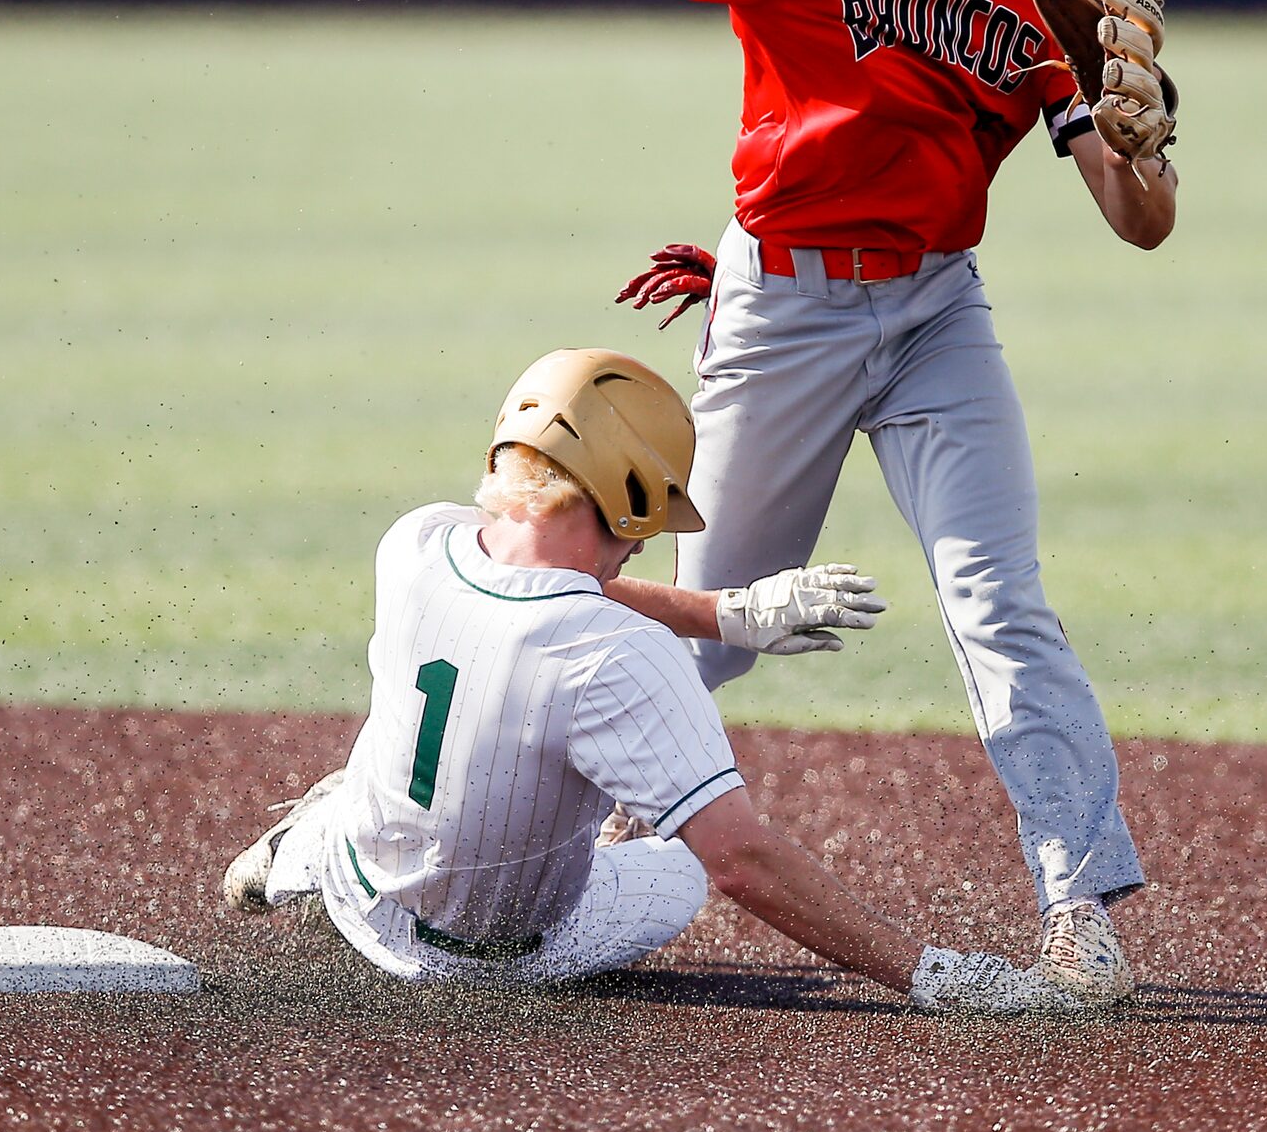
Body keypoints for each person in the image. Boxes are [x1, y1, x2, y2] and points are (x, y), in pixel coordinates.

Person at [501, 0, 1181, 1007]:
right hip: (783, 307)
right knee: (713, 627)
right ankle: (502, 827)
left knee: (1001, 609)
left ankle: (1077, 905)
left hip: (935, 319)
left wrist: (1137, 148)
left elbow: (1137, 224)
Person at [223, 347, 1088, 1015]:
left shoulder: (415, 544)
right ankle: (352, 851)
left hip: (362, 886)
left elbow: (542, 574)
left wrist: (723, 613)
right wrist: (934, 975)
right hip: (490, 961)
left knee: (394, 753)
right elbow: (744, 863)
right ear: (622, 485)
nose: (650, 530)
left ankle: (304, 848)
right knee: (671, 865)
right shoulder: (617, 653)